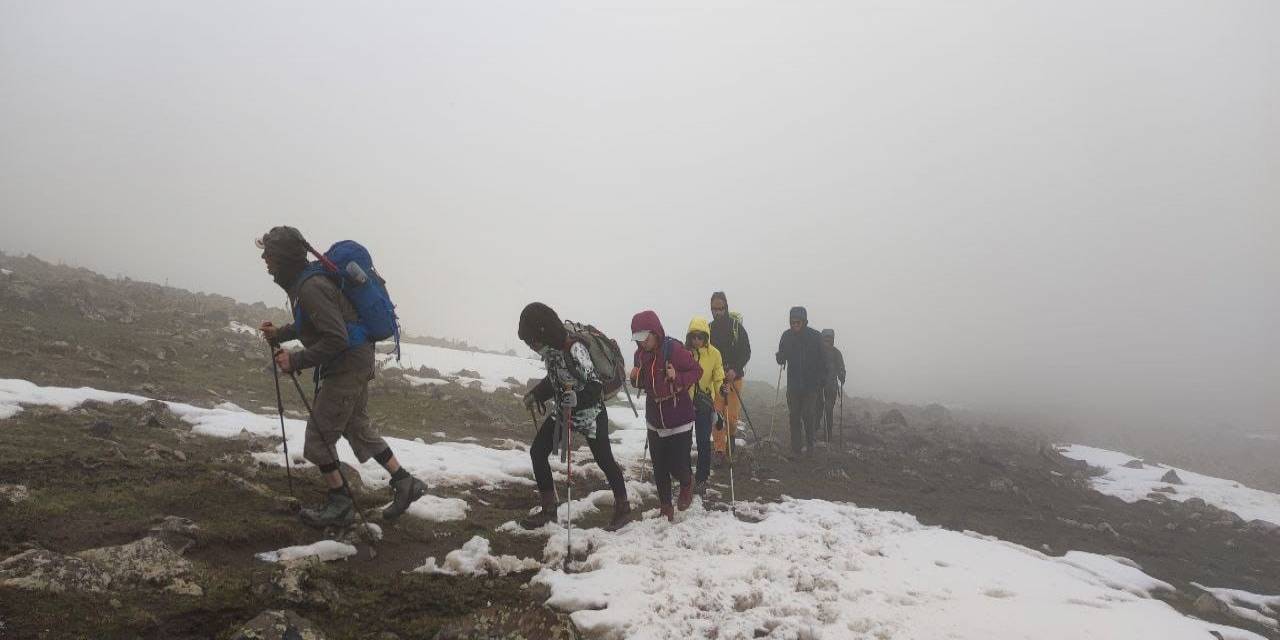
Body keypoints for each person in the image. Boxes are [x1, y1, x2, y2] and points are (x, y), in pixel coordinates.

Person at [256, 226, 427, 528]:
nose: (265, 260)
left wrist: (295, 359)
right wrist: (281, 333)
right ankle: (405, 482)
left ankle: (340, 503)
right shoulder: (306, 283)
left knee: (318, 438)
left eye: (269, 254)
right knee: (355, 425)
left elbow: (336, 338)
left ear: (283, 257)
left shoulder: (310, 287)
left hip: (347, 363)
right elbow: (315, 321)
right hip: (356, 360)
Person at [517, 303, 632, 532]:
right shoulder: (551, 352)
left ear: (542, 331)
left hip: (591, 414)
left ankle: (623, 508)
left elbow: (594, 386)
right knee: (537, 452)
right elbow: (555, 379)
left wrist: (576, 400)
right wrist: (536, 394)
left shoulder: (574, 348)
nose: (532, 346)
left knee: (604, 460)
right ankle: (549, 510)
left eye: (532, 340)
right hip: (564, 412)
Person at [629, 310, 702, 521]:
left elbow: (697, 371)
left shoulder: (675, 350)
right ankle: (665, 507)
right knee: (659, 465)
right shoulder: (639, 356)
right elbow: (644, 383)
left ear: (655, 332)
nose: (642, 343)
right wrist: (635, 379)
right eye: (638, 339)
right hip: (655, 418)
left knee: (677, 465)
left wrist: (677, 377)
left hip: (679, 417)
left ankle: (687, 482)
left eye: (645, 337)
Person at [775, 306, 825, 456]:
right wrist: (780, 357)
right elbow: (781, 356)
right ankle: (796, 448)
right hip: (794, 384)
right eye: (792, 322)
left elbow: (823, 359)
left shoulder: (815, 336)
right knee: (794, 415)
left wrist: (822, 378)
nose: (795, 324)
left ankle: (810, 445)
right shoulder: (786, 336)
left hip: (811, 384)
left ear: (804, 321)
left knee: (808, 414)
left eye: (798, 322)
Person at [708, 291, 751, 460]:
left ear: (726, 307)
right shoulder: (709, 329)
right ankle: (719, 450)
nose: (717, 312)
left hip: (735, 378)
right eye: (714, 309)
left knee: (731, 418)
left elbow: (746, 351)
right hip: (716, 381)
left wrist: (735, 369)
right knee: (717, 415)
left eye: (720, 308)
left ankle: (731, 437)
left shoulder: (736, 327)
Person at [685, 316, 724, 496]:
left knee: (702, 442)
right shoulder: (685, 352)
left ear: (706, 337)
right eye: (694, 336)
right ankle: (686, 478)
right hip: (685, 402)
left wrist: (721, 390)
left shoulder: (715, 353)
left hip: (704, 403)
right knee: (684, 442)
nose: (697, 340)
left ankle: (701, 479)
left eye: (701, 337)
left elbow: (718, 376)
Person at [819, 328, 847, 441]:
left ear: (832, 339)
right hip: (819, 386)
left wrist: (842, 375)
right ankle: (819, 432)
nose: (827, 341)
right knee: (818, 409)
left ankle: (828, 434)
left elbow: (842, 368)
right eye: (825, 338)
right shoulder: (818, 352)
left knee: (828, 409)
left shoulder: (836, 353)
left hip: (831, 386)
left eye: (829, 338)